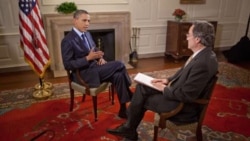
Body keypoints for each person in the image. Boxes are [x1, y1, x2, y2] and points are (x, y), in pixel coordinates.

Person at [107, 20, 218, 140]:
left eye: (188, 35)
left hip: (181, 107)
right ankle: (129, 128)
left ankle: (129, 129)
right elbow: (183, 72)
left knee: (141, 98)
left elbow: (186, 95)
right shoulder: (202, 54)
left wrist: (165, 89)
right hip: (176, 93)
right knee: (142, 87)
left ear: (197, 39)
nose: (187, 37)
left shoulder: (202, 63)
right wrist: (167, 80)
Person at [61, 9, 132, 118]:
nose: (87, 24)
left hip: (96, 67)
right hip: (83, 74)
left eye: (89, 21)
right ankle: (130, 94)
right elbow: (68, 65)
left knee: (118, 75)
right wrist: (87, 58)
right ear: (75, 21)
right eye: (84, 20)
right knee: (120, 64)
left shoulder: (87, 34)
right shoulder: (67, 40)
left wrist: (100, 58)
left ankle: (123, 109)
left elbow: (94, 48)